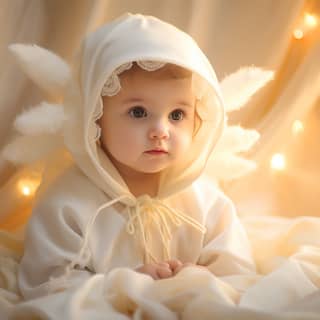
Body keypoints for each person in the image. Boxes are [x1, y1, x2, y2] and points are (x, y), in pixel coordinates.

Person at [18, 13, 255, 301]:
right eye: (138, 112)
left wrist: (200, 279)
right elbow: (49, 284)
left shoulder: (206, 201)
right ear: (94, 118)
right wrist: (127, 284)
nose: (160, 131)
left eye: (177, 115)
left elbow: (239, 274)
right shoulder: (67, 204)